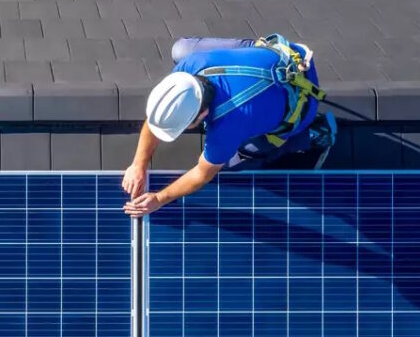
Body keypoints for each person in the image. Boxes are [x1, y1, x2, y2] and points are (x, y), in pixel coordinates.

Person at [122, 34, 336, 218]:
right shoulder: (189, 69)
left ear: (204, 114)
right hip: (286, 54)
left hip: (302, 101)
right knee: (181, 49)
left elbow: (201, 174)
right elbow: (157, 117)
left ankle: (315, 134)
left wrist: (160, 198)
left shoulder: (228, 126)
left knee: (237, 160)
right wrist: (138, 165)